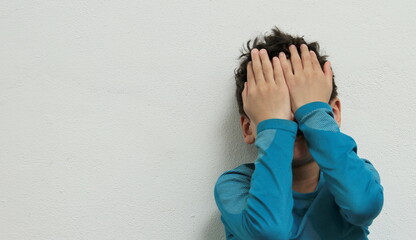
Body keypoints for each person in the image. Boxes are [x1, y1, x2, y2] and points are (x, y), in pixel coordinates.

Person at [213, 26, 384, 240]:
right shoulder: (235, 186)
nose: (293, 118)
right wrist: (275, 123)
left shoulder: (356, 175)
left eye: (303, 106)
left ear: (333, 113)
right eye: (277, 108)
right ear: (248, 128)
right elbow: (270, 232)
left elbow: (362, 206)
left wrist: (313, 113)